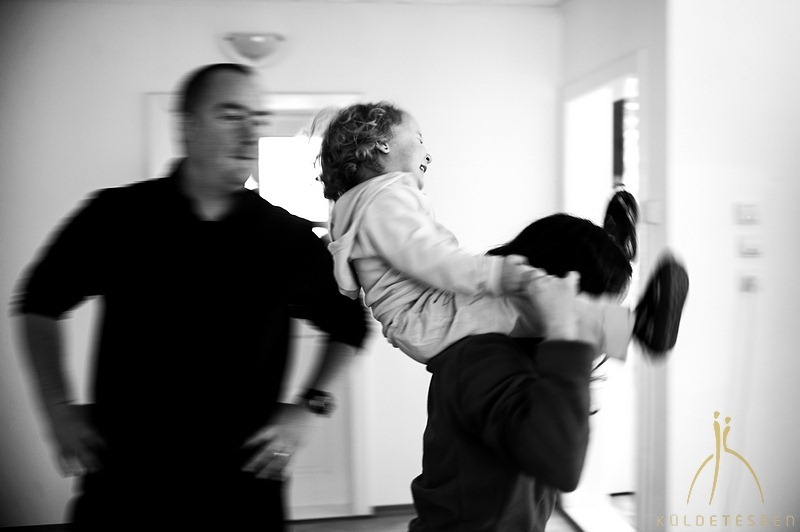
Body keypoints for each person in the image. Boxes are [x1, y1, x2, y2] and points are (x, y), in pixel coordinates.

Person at [12, 63, 368, 531]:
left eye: (256, 119)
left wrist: (309, 410)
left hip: (241, 491)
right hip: (125, 485)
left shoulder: (285, 238)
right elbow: (39, 303)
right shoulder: (117, 216)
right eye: (230, 115)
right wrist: (57, 410)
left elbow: (350, 325)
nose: (249, 134)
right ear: (188, 126)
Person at [316, 101, 688, 365]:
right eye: (419, 137)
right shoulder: (384, 200)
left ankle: (611, 282)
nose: (427, 152)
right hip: (428, 316)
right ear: (381, 143)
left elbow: (351, 282)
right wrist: (498, 274)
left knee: (526, 299)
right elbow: (433, 260)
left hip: (425, 319)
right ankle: (635, 327)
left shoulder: (361, 209)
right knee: (532, 302)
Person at [408, 213, 644, 532]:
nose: (597, 324)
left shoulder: (531, 352)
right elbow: (562, 466)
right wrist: (564, 329)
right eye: (596, 312)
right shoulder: (480, 358)